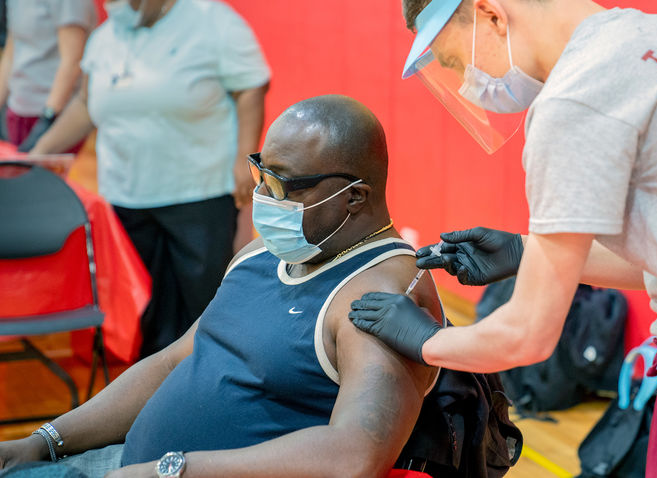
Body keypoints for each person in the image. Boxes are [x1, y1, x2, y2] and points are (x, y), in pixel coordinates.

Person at [349, 0, 657, 476]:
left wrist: (428, 340)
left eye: (457, 63)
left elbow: (528, 335)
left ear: (490, 15)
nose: (464, 86)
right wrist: (527, 253)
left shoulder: (576, 98)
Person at [0, 95, 443, 478]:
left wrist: (171, 469)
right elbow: (176, 359)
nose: (265, 199)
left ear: (354, 197)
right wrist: (44, 441)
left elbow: (355, 456)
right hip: (133, 464)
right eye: (261, 174)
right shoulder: (267, 252)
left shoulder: (381, 296)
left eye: (282, 184)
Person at [30, 0, 270, 358]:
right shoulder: (106, 36)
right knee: (144, 310)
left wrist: (244, 158)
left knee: (203, 306)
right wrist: (39, 153)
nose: (117, 5)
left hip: (198, 192)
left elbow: (252, 85)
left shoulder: (211, 20)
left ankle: (210, 389)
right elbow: (86, 104)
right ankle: (152, 395)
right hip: (125, 195)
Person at [0, 0, 97, 151]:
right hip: (17, 110)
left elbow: (73, 60)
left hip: (51, 113)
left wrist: (47, 119)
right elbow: (12, 51)